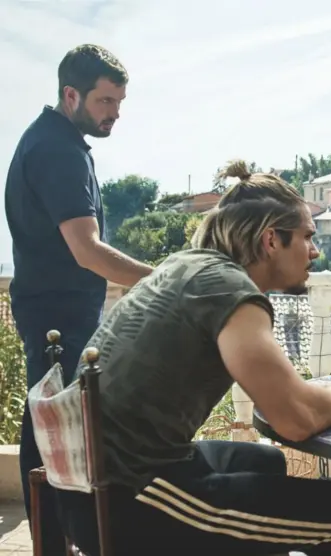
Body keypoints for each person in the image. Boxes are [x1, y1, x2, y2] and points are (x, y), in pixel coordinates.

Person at [39, 161, 331, 555]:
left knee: (263, 462)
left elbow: (280, 396)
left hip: (87, 488)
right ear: (271, 240)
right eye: (307, 237)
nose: (315, 251)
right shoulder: (230, 292)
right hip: (130, 501)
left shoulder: (184, 266)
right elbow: (295, 420)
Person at [4, 44, 153, 555]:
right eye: (105, 101)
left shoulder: (52, 141)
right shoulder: (57, 151)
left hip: (54, 310)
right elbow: (87, 251)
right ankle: (54, 545)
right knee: (52, 436)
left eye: (119, 102)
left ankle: (54, 544)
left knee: (48, 430)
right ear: (71, 95)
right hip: (56, 316)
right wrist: (162, 279)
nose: (115, 113)